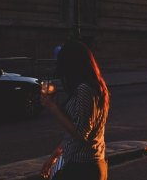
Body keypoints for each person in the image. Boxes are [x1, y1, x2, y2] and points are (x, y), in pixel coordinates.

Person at [40, 40, 109, 180]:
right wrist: (55, 156)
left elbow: (81, 134)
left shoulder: (84, 90)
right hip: (93, 164)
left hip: (82, 168)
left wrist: (52, 106)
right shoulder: (96, 86)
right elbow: (74, 132)